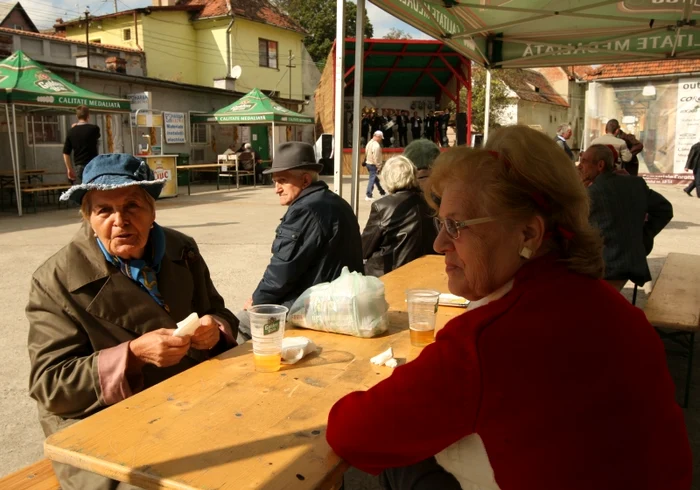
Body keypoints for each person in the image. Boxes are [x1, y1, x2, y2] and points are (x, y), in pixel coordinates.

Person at [326, 125, 691, 490]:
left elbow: (351, 432)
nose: (439, 244)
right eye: (441, 223)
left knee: (405, 453)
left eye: (455, 225)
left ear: (528, 234)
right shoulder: (611, 305)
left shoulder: (489, 340)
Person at [27, 154, 238, 490]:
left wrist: (215, 329)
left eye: (132, 206)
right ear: (89, 218)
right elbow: (51, 385)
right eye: (104, 210)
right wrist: (133, 355)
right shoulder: (56, 280)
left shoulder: (182, 248)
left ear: (153, 210)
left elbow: (219, 311)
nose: (120, 221)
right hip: (96, 420)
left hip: (180, 396)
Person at [237, 142, 363, 342]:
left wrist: (258, 302)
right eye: (274, 181)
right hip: (341, 298)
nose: (276, 189)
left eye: (282, 181)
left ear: (305, 180)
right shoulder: (334, 201)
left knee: (239, 324)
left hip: (318, 306)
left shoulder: (305, 210)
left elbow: (282, 271)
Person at [579, 144, 673, 290]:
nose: (580, 166)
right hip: (630, 262)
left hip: (605, 266)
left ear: (600, 165)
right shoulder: (635, 184)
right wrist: (643, 236)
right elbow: (665, 209)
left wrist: (579, 189)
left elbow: (570, 222)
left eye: (584, 161)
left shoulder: (591, 193)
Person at [362, 156, 437, 277]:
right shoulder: (430, 202)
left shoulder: (381, 206)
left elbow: (364, 249)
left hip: (389, 273)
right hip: (426, 269)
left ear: (388, 178)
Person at [62, 105, 101, 183]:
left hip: (79, 166)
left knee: (80, 191)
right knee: (94, 189)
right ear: (88, 116)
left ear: (77, 116)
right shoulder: (94, 129)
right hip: (93, 165)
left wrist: (69, 168)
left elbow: (66, 153)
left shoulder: (71, 132)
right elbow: (97, 136)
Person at [365, 130, 387, 201]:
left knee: (375, 179)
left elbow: (366, 152)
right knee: (372, 179)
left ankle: (382, 192)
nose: (381, 140)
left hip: (368, 163)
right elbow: (376, 157)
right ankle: (368, 194)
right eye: (380, 138)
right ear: (378, 137)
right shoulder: (376, 146)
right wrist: (379, 166)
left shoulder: (369, 143)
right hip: (373, 164)